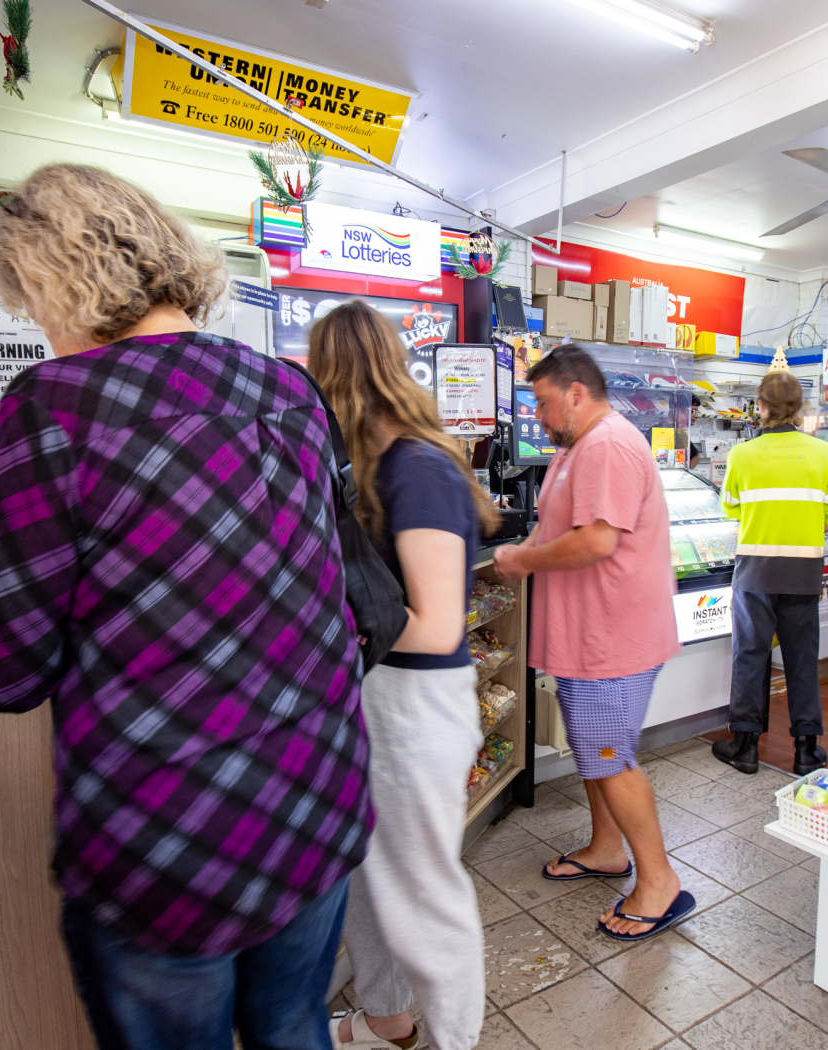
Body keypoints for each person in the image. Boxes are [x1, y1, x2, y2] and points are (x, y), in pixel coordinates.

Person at [0, 164, 369, 1050]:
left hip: (169, 835)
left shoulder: (55, 406)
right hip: (315, 797)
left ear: (50, 277)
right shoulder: (288, 390)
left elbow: (4, 670)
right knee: (294, 1024)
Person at [307, 302, 496, 1050]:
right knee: (368, 876)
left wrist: (324, 633)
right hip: (383, 699)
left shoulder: (416, 470)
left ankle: (456, 1040)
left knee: (423, 895)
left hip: (416, 704)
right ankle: (389, 1017)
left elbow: (437, 623)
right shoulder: (377, 469)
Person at [494, 347, 691, 942]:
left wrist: (523, 561)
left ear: (576, 394)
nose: (537, 415)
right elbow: (560, 524)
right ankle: (608, 849)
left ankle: (660, 882)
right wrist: (525, 544)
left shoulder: (607, 445)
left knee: (609, 755)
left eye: (542, 402)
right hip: (590, 636)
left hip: (612, 638)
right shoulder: (579, 446)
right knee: (593, 748)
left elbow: (597, 541)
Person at [710, 370, 828, 777]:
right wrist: (811, 524)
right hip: (803, 570)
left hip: (755, 569)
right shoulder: (821, 453)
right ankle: (807, 750)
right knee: (802, 658)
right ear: (799, 408)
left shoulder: (742, 454)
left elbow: (730, 506)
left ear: (760, 406)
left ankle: (745, 747)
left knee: (750, 655)